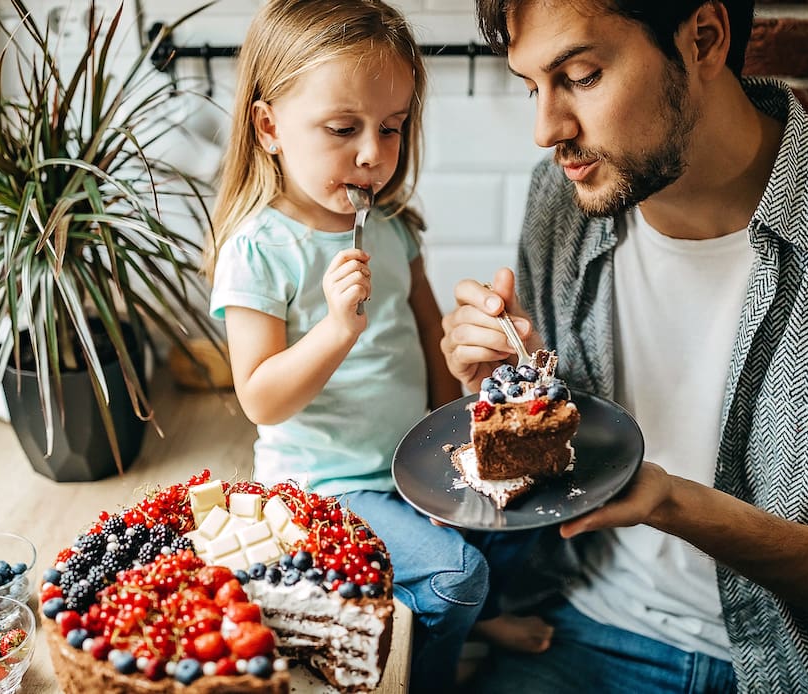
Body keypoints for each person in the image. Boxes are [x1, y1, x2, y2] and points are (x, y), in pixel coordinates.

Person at [440, 0, 808, 692]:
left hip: (797, 671)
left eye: (579, 75)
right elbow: (550, 476)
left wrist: (677, 505)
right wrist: (506, 390)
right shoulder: (563, 196)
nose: (546, 128)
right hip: (576, 627)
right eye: (529, 86)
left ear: (702, 39)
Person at [203, 2, 552, 689]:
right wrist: (336, 330)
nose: (373, 153)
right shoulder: (259, 249)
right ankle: (430, 668)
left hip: (407, 463)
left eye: (391, 128)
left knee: (532, 508)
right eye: (343, 128)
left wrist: (462, 422)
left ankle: (476, 613)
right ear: (269, 126)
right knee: (458, 575)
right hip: (325, 486)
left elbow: (426, 334)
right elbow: (260, 400)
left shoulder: (390, 228)